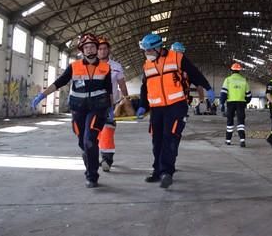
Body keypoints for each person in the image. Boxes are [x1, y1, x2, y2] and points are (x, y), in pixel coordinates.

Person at [31, 33, 113, 188]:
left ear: (97, 48)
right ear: (82, 50)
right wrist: (42, 95)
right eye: (86, 47)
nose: (89, 50)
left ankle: (92, 176)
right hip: (78, 110)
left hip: (97, 109)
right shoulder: (74, 67)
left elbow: (108, 89)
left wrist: (111, 108)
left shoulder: (105, 68)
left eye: (92, 47)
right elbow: (59, 82)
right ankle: (90, 165)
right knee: (83, 143)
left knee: (90, 140)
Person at [137, 33, 214, 188]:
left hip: (176, 106)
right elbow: (145, 88)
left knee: (169, 138)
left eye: (149, 50)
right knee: (156, 140)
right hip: (157, 109)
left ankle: (166, 172)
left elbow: (194, 73)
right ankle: (157, 171)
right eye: (145, 51)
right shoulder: (147, 65)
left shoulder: (176, 58)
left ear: (158, 48)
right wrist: (142, 105)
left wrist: (207, 87)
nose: (147, 54)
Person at [96, 36, 130, 172]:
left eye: (105, 49)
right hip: (93, 105)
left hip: (111, 105)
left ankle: (107, 159)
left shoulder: (116, 67)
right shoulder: (91, 66)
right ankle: (101, 155)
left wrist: (126, 100)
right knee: (96, 133)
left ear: (109, 50)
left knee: (108, 131)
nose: (102, 51)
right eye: (100, 49)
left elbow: (122, 84)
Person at [219, 63, 252, 147]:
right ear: (239, 71)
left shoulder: (228, 79)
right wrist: (246, 102)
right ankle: (242, 140)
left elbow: (223, 93)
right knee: (241, 122)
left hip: (230, 103)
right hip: (241, 103)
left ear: (231, 71)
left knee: (230, 121)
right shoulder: (244, 80)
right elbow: (248, 95)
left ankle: (228, 140)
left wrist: (222, 103)